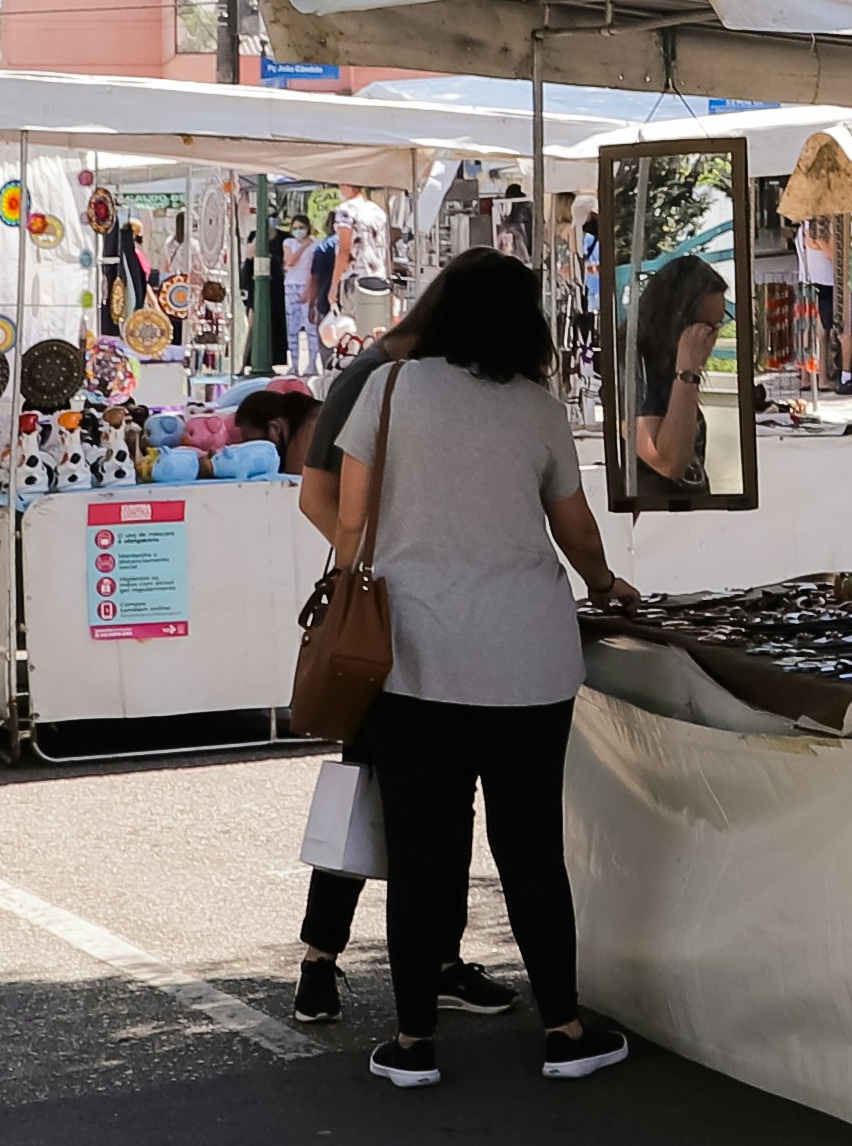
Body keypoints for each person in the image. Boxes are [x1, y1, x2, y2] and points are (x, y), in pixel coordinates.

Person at [310, 251, 648, 1088]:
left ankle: (413, 1042)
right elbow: (576, 530)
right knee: (530, 846)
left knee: (422, 850)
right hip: (529, 657)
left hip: (415, 655)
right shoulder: (537, 409)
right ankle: (564, 1029)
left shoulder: (390, 390)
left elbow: (348, 521)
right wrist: (605, 583)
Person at [286, 324, 514, 1033]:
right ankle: (362, 961)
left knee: (385, 794)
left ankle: (338, 963)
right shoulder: (380, 382)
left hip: (405, 615)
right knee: (400, 797)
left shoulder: (393, 382)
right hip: (393, 620)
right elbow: (317, 498)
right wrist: (371, 572)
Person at [620, 253, 728, 501]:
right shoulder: (634, 364)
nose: (711, 339)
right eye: (704, 328)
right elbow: (669, 462)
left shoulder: (667, 365)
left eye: (718, 326)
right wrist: (687, 372)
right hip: (655, 512)